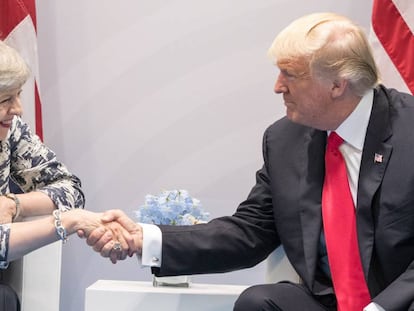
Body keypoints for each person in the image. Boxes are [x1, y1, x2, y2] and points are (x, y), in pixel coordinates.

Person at [86, 12, 414, 311]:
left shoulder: (408, 130)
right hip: (330, 302)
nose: (277, 86)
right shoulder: (284, 140)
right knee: (257, 303)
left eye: (290, 74)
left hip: (400, 301)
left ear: (337, 85)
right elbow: (249, 233)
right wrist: (146, 239)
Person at [0, 40, 136, 310]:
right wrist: (69, 222)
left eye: (19, 95)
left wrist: (15, 203)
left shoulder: (11, 131)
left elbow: (70, 190)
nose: (18, 109)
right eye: (6, 99)